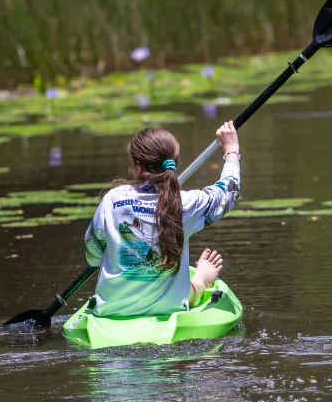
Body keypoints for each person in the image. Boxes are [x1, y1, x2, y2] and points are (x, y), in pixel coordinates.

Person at [84, 122, 241, 317]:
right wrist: (231, 149)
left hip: (112, 311)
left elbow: (93, 256)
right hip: (168, 310)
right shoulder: (186, 203)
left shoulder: (112, 199)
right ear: (173, 162)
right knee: (189, 284)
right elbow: (228, 193)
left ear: (137, 166)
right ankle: (199, 281)